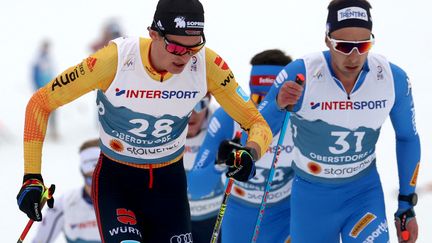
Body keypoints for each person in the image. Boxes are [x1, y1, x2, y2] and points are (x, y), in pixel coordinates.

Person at [15, 0, 273, 242]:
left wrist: (250, 152)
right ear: (153, 34)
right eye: (175, 47)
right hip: (118, 181)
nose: (184, 57)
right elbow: (41, 103)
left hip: (168, 184)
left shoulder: (207, 65)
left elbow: (257, 123)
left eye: (193, 48)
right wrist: (32, 177)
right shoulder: (115, 60)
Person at [259, 0, 421, 242]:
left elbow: (408, 137)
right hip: (312, 199)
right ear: (327, 39)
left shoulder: (391, 78)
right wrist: (278, 105)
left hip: (362, 194)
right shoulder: (302, 73)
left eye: (363, 45)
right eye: (344, 46)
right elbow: (258, 126)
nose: (354, 57)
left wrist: (407, 202)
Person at [188, 49, 293, 243]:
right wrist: (221, 162)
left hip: (284, 214)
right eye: (257, 98)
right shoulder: (229, 118)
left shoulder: (298, 120)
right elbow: (196, 188)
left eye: (272, 99)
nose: (264, 109)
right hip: (239, 215)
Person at [32, 139, 101, 243]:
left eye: (101, 179)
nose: (96, 187)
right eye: (90, 180)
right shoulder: (64, 204)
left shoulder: (127, 202)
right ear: (82, 173)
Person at [184, 94, 223, 243]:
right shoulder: (159, 123)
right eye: (184, 106)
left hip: (213, 219)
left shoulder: (220, 122)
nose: (191, 114)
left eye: (199, 104)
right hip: (174, 220)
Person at [32, 40, 58, 139]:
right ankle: (40, 133)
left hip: (50, 88)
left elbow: (51, 73)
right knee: (42, 112)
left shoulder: (49, 58)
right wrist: (37, 88)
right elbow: (34, 75)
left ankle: (53, 131)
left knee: (53, 110)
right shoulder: (38, 59)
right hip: (42, 89)